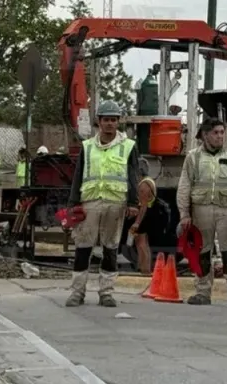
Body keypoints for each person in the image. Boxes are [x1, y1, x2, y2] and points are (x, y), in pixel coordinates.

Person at [65, 99, 140, 307]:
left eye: (114, 120)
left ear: (118, 122)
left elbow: (133, 176)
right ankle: (77, 293)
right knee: (83, 247)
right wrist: (73, 203)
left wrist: (133, 203)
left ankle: (106, 293)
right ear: (99, 121)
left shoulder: (128, 147)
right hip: (89, 203)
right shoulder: (87, 147)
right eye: (106, 120)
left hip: (115, 204)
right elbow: (78, 175)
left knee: (110, 248)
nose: (110, 124)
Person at [176, 117, 227, 308]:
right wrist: (184, 214)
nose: (220, 136)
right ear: (205, 135)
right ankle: (203, 292)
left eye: (222, 132)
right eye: (215, 133)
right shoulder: (193, 157)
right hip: (201, 210)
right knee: (202, 253)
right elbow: (184, 186)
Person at [129, 177, 175, 275]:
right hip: (148, 214)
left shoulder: (144, 185)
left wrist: (137, 223)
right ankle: (142, 268)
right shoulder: (147, 183)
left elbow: (144, 205)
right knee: (140, 242)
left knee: (142, 243)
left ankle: (145, 270)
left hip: (148, 214)